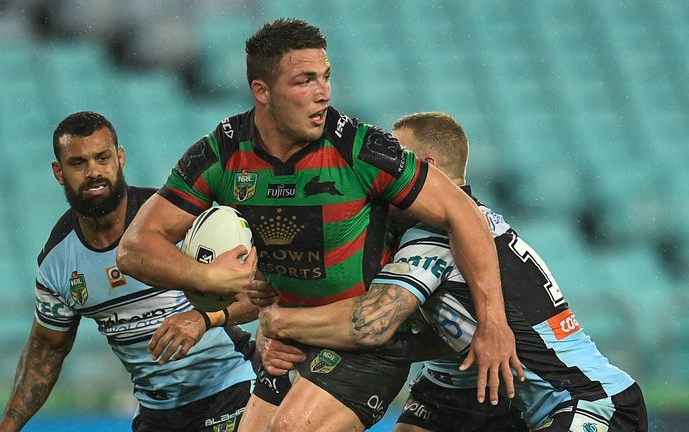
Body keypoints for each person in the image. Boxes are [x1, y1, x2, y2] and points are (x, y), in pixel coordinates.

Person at [117, 18, 520, 432]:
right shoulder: (222, 152)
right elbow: (135, 248)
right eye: (304, 80)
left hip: (363, 343)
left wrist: (493, 323)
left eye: (325, 77)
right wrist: (209, 278)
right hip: (291, 339)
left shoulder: (360, 148)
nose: (323, 92)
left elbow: (463, 213)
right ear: (262, 91)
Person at [258, 112, 648, 431]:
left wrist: (279, 323)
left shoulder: (436, 234)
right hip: (513, 398)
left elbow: (370, 324)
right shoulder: (468, 223)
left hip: (589, 403)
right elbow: (440, 336)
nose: (383, 174)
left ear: (426, 169)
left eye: (398, 162)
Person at [0, 112, 258, 432]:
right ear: (58, 172)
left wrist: (204, 319)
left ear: (120, 158)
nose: (93, 172)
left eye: (102, 158)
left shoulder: (177, 221)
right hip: (158, 414)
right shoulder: (56, 263)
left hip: (234, 391)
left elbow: (257, 293)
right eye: (78, 163)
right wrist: (7, 425)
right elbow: (48, 347)